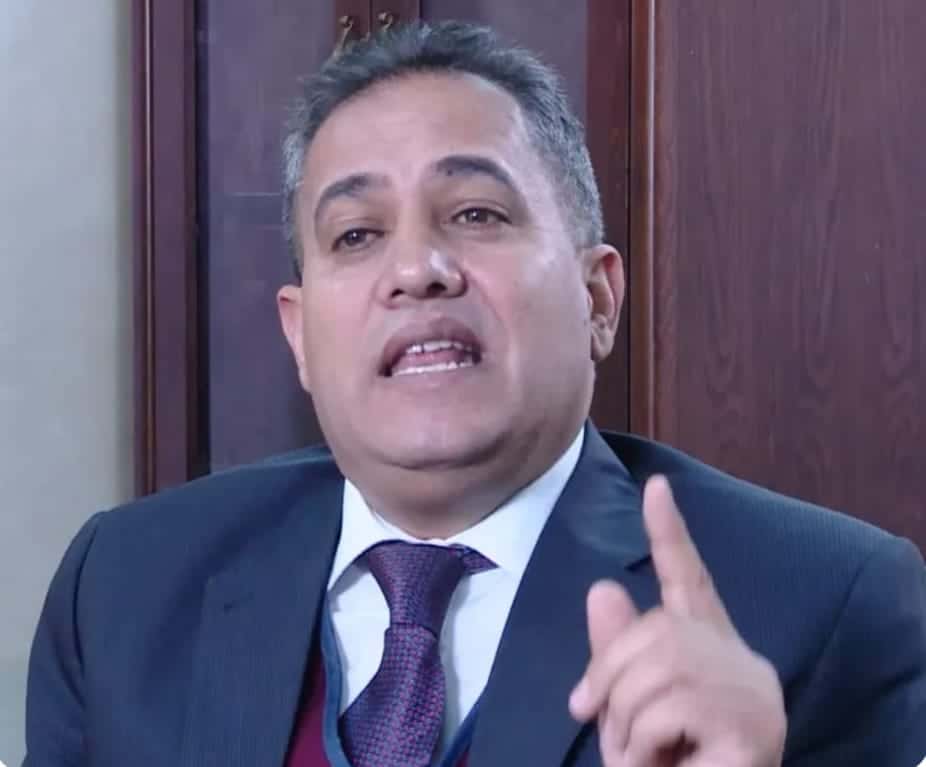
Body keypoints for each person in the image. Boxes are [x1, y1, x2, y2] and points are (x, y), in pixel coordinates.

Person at [24, 20, 926, 767]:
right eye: (356, 234)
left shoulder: (829, 608)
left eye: (476, 214)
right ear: (299, 335)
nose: (418, 268)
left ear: (598, 299)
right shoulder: (124, 588)